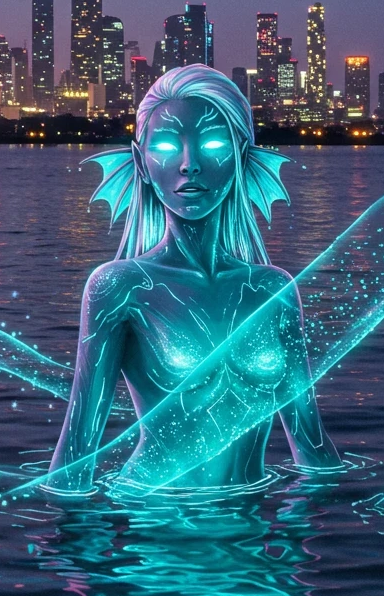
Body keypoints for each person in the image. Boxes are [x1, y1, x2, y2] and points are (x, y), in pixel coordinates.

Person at [47, 64, 342, 495]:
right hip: (154, 514)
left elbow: (312, 445)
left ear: (242, 157)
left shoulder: (273, 290)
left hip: (249, 519)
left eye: (215, 143)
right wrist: (71, 535)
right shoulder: (120, 286)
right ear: (140, 162)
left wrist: (342, 520)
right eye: (167, 145)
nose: (190, 165)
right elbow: (77, 451)